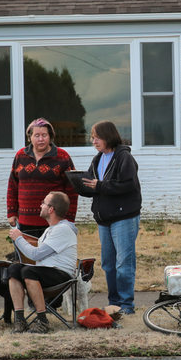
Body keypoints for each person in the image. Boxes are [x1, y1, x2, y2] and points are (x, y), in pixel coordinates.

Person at [78, 120, 141, 314]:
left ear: (108, 136)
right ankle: (114, 303)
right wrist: (79, 186)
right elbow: (94, 186)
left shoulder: (124, 157)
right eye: (92, 137)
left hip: (124, 218)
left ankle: (127, 305)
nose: (93, 141)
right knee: (108, 263)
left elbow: (128, 184)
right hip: (104, 219)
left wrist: (100, 186)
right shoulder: (97, 159)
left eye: (97, 137)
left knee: (124, 263)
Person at [5, 191, 78, 334]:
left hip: (61, 275)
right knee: (13, 269)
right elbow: (36, 256)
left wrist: (19, 238)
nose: (40, 205)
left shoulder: (63, 229)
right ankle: (19, 320)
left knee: (28, 271)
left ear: (51, 209)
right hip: (46, 271)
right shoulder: (50, 230)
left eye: (44, 203)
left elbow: (35, 254)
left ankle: (42, 321)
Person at [6, 117, 78, 238]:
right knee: (26, 255)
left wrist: (69, 218)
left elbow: (72, 189)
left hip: (54, 222)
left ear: (50, 137)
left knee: (51, 256)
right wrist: (11, 212)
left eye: (44, 135)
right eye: (37, 135)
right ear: (30, 137)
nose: (41, 139)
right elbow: (12, 186)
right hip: (25, 221)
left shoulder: (62, 157)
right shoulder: (20, 156)